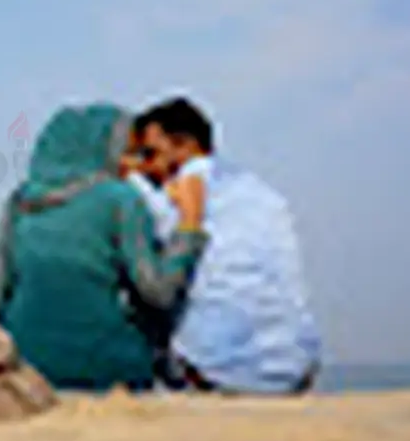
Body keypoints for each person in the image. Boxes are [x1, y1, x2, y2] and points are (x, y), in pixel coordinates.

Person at [0, 102, 209, 392]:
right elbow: (159, 293)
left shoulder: (19, 201)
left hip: (27, 365)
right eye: (127, 152)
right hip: (105, 369)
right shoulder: (120, 200)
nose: (132, 166)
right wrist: (190, 225)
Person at [133, 96, 322, 395]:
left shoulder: (179, 192)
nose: (147, 166)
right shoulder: (261, 192)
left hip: (219, 372)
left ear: (184, 146)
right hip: (297, 367)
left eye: (150, 153)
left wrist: (128, 174)